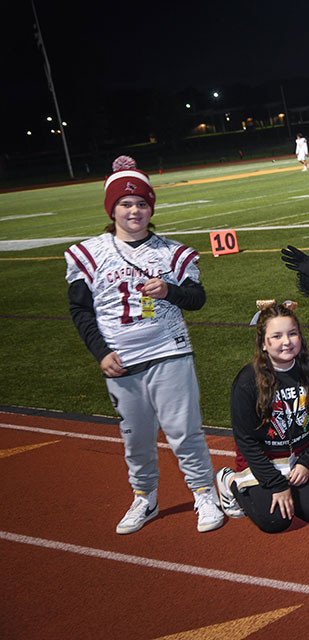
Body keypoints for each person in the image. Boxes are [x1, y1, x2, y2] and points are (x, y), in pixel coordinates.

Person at [65, 156, 223, 535]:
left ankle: (204, 492)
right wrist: (100, 353)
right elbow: (80, 310)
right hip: (120, 359)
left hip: (168, 349)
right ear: (112, 209)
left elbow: (197, 298)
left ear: (151, 207)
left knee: (184, 431)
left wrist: (169, 290)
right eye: (125, 203)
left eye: (141, 203)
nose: (134, 210)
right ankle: (145, 497)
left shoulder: (172, 252)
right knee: (135, 437)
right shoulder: (89, 254)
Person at [215, 300, 309, 533]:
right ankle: (229, 480)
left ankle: (291, 482)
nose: (286, 342)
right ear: (263, 343)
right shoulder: (247, 382)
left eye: (292, 334)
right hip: (263, 461)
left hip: (299, 458)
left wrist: (306, 462)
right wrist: (276, 484)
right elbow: (246, 441)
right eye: (277, 336)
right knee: (275, 522)